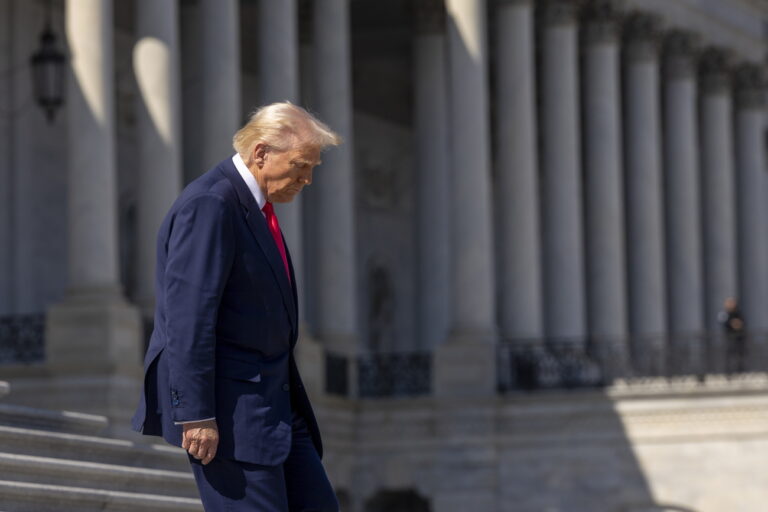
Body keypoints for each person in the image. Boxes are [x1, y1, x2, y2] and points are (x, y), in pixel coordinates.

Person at [131, 102, 341, 511]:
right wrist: (195, 414)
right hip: (230, 417)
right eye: (301, 165)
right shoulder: (211, 203)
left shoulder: (255, 208)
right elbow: (189, 317)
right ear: (261, 153)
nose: (308, 179)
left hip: (275, 407)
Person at [718, 297, 747, 374]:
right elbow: (724, 324)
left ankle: (740, 371)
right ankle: (728, 372)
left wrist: (737, 324)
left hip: (739, 338)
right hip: (729, 338)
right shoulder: (724, 314)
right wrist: (732, 324)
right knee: (729, 356)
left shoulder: (738, 313)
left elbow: (742, 323)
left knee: (740, 355)